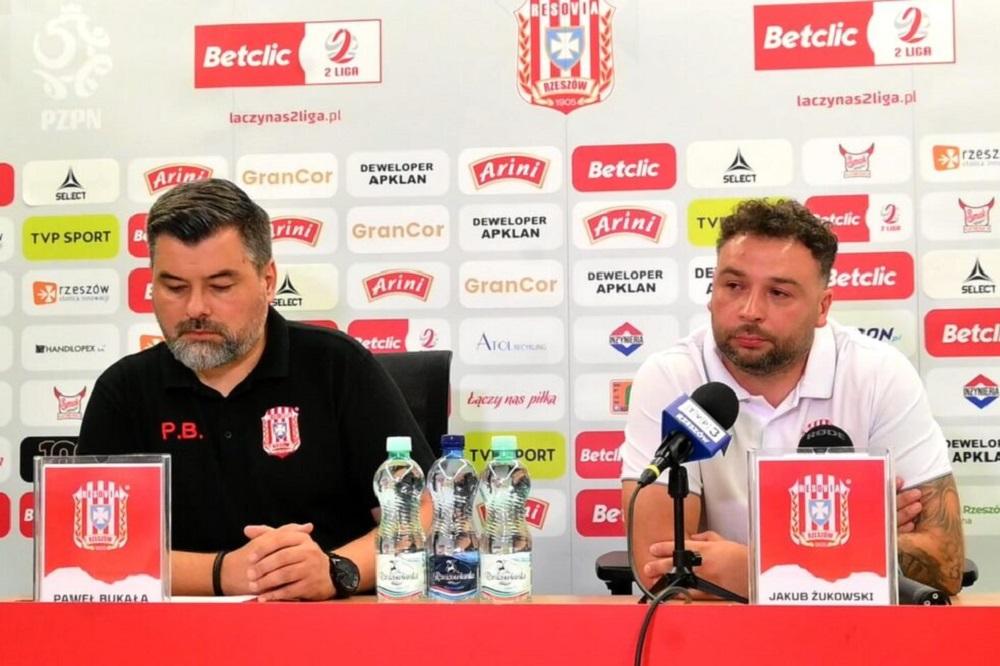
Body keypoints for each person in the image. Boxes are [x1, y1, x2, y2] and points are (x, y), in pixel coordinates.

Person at [77, 178, 434, 600]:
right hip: (176, 631)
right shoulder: (124, 391)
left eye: (220, 286)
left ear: (267, 279)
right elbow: (90, 551)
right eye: (174, 287)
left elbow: (424, 512)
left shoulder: (337, 366)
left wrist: (337, 569)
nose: (196, 308)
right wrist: (221, 574)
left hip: (330, 624)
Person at [620, 198, 964, 597]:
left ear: (822, 307)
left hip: (852, 629)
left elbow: (945, 564)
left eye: (779, 293)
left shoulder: (878, 375)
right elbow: (662, 572)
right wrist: (861, 540)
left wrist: (754, 567)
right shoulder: (670, 377)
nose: (750, 310)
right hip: (718, 629)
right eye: (733, 286)